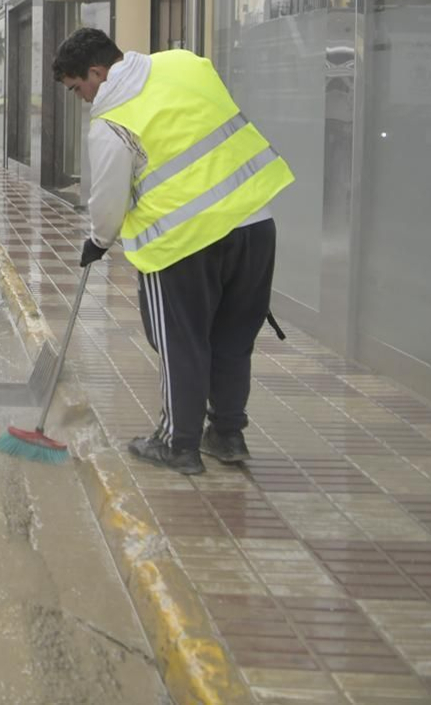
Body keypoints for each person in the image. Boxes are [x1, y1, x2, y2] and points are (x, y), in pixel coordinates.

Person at [53, 28, 293, 476]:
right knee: (233, 338)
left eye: (77, 88)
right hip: (254, 222)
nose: (81, 99)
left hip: (184, 243)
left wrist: (98, 241)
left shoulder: (111, 121)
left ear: (96, 72)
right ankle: (226, 434)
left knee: (182, 342)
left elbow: (108, 199)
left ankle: (177, 442)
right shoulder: (184, 63)